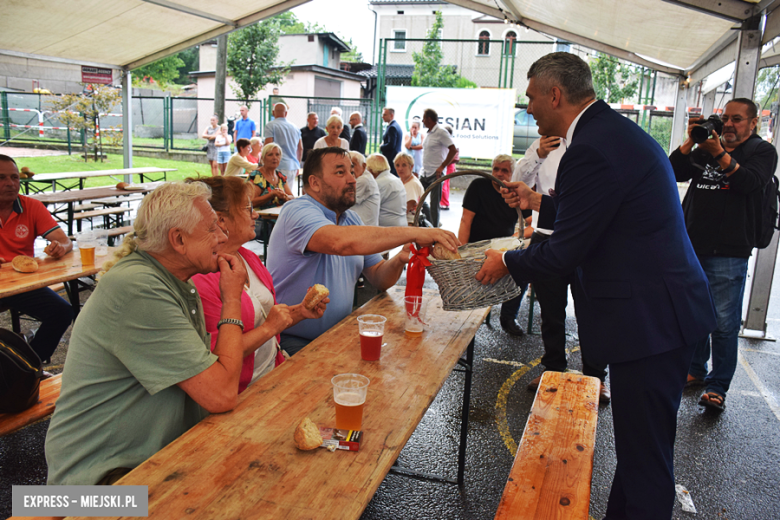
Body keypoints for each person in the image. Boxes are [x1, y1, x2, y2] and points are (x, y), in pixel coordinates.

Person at [475, 52, 716, 520]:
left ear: (555, 94)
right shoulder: (607, 134)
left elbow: (565, 251)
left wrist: (505, 260)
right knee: (638, 450)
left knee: (645, 462)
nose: (530, 109)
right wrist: (539, 199)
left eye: (531, 98)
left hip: (652, 323)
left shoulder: (591, 147)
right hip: (660, 317)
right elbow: (603, 209)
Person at [45, 181, 250, 485]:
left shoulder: (172, 278)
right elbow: (221, 395)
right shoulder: (138, 288)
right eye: (211, 229)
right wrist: (231, 299)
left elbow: (211, 376)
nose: (223, 237)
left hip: (158, 457)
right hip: (102, 478)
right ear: (178, 240)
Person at [266, 147, 460, 355]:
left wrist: (398, 260)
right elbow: (340, 244)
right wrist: (415, 233)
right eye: (340, 172)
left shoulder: (351, 219)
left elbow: (378, 277)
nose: (352, 179)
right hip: (290, 339)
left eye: (351, 171)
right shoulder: (297, 210)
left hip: (338, 334)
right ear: (314, 183)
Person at [669, 98, 778, 412]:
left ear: (753, 123)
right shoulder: (705, 146)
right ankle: (695, 368)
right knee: (693, 314)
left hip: (730, 249)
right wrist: (693, 140)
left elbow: (749, 183)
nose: (729, 125)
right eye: (725, 118)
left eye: (738, 119)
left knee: (723, 322)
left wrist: (720, 153)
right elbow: (673, 171)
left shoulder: (761, 151)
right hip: (693, 245)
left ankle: (718, 387)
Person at [190, 176, 327, 392]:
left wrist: (301, 311)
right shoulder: (201, 278)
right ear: (221, 220)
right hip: (242, 390)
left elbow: (267, 318)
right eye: (247, 208)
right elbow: (216, 353)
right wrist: (269, 329)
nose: (255, 214)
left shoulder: (248, 258)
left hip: (274, 372)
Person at [514, 135, 610, 400]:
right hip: (546, 235)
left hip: (584, 237)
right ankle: (553, 369)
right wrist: (538, 154)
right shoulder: (543, 143)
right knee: (551, 311)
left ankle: (596, 376)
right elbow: (518, 178)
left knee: (590, 312)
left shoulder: (589, 142)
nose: (532, 111)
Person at [0, 155, 73, 364]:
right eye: (2, 178)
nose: (10, 183)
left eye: (14, 177)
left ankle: (30, 365)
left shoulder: (30, 206)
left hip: (21, 282)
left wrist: (60, 247)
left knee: (62, 311)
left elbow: (65, 241)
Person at [458, 154, 527, 337]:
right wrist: (461, 253)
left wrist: (512, 239)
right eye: (496, 169)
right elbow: (466, 221)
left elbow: (534, 223)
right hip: (477, 248)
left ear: (512, 174)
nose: (499, 173)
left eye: (505, 170)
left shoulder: (515, 193)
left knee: (523, 269)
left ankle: (508, 318)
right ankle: (467, 318)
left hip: (503, 251)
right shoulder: (478, 186)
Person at [420, 108, 457, 228]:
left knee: (434, 204)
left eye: (424, 118)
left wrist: (442, 166)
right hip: (425, 172)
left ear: (429, 119)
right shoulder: (429, 133)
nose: (422, 121)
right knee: (418, 198)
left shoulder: (441, 132)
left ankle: (434, 231)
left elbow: (453, 149)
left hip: (436, 174)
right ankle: (428, 222)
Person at [263, 103, 303, 192]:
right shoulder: (295, 127)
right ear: (286, 114)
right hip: (292, 166)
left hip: (277, 166)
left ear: (273, 112)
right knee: (288, 194)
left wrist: (262, 162)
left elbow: (268, 146)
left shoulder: (270, 125)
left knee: (276, 195)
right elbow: (300, 148)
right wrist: (297, 164)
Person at [366, 154, 407, 228]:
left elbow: (368, 207)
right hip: (401, 225)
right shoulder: (394, 178)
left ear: (371, 169)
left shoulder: (379, 183)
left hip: (389, 229)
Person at [349, 151, 380, 227]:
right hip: (361, 226)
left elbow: (345, 201)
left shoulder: (364, 180)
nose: (350, 169)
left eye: (353, 165)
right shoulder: (363, 177)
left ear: (363, 166)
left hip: (364, 229)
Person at [394, 152, 424, 225]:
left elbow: (406, 209)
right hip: (401, 219)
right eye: (397, 165)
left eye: (404, 165)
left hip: (410, 222)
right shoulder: (399, 180)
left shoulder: (412, 184)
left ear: (411, 167)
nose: (400, 168)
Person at [441, 124, 460, 210]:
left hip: (447, 164)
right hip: (451, 165)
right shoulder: (453, 141)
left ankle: (444, 203)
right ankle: (445, 202)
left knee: (443, 184)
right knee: (447, 184)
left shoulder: (448, 142)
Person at [380, 107, 403, 176]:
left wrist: (382, 146)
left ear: (391, 115)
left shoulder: (392, 127)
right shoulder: (395, 125)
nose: (382, 117)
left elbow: (391, 145)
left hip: (391, 158)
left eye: (385, 115)